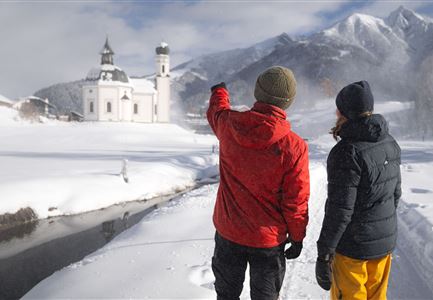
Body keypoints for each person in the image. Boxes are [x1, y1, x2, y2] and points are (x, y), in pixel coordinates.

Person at [207, 66, 310, 300]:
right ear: (288, 102)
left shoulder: (228, 124)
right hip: (267, 242)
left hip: (229, 233)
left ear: (257, 93)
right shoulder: (294, 147)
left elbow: (216, 110)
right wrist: (297, 237)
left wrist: (219, 91)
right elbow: (296, 200)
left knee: (226, 296)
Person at [315, 81, 402, 300]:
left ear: (344, 112)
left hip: (354, 250)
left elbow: (340, 211)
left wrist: (324, 254)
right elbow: (395, 195)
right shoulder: (390, 142)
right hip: (383, 246)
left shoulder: (346, 152)